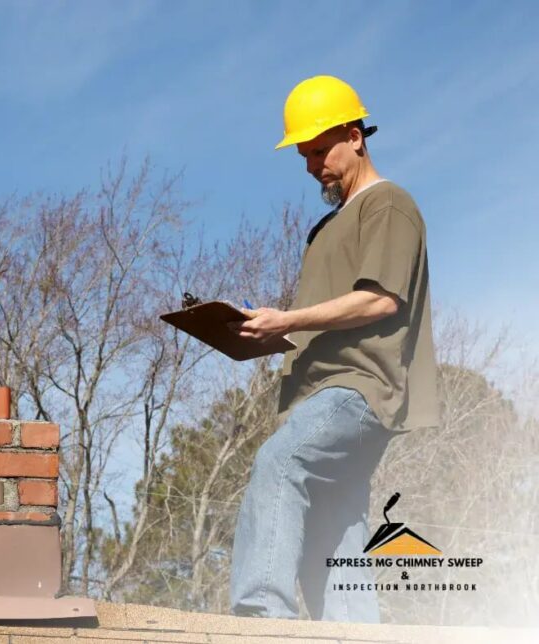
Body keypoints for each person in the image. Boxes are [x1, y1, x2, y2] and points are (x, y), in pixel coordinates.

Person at [227, 75, 439, 623]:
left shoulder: (387, 203)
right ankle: (354, 631)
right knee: (335, 523)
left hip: (358, 388)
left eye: (321, 150)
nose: (312, 166)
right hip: (318, 391)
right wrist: (268, 333)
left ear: (355, 136)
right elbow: (329, 318)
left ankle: (261, 618)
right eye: (304, 156)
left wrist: (290, 318)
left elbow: (380, 301)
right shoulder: (326, 228)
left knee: (281, 461)